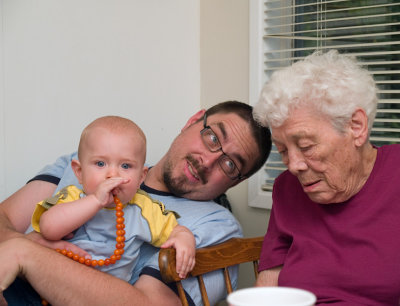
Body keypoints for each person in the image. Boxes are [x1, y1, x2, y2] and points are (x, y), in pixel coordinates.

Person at [0, 100, 272, 305]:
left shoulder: (217, 227)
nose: (208, 160)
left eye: (229, 164)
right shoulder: (86, 160)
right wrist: (30, 245)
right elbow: (5, 219)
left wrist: (28, 255)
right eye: (213, 137)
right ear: (193, 120)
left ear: (235, 181)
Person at [252, 50, 400, 305]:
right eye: (283, 150)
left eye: (307, 146)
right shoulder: (286, 189)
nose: (294, 165)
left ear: (356, 127)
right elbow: (267, 290)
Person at [31, 116, 195, 281]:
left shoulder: (144, 208)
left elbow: (175, 230)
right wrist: (95, 200)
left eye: (125, 166)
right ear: (79, 172)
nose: (112, 174)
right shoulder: (73, 196)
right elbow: (48, 228)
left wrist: (184, 239)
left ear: (141, 177)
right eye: (100, 164)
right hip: (56, 287)